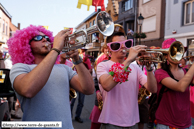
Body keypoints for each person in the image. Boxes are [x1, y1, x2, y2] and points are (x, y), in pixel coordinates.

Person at [7, 25, 94, 128]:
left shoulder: (64, 68)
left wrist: (76, 59)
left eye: (47, 38)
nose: (44, 39)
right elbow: (27, 90)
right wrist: (56, 49)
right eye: (38, 38)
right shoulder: (20, 68)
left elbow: (88, 89)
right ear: (26, 43)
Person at [96, 31, 157, 129]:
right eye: (117, 45)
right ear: (109, 48)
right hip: (111, 121)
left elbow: (153, 89)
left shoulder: (135, 68)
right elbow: (107, 85)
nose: (123, 47)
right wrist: (128, 60)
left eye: (126, 44)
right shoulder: (103, 65)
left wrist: (149, 68)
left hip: (132, 121)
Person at [154, 38, 194, 129]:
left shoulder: (187, 71)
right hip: (167, 124)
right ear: (165, 56)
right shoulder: (160, 72)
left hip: (186, 124)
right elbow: (180, 87)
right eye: (173, 52)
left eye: (180, 51)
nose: (179, 55)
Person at [90, 44, 110, 129]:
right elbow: (96, 78)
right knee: (96, 120)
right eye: (106, 49)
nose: (108, 51)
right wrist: (97, 91)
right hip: (101, 94)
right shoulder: (100, 60)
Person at [70, 48, 92, 123]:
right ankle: (69, 117)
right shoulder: (72, 58)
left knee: (81, 102)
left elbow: (90, 69)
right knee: (72, 101)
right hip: (74, 81)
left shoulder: (86, 59)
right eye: (82, 51)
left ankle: (77, 116)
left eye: (84, 51)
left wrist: (83, 72)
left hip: (82, 82)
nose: (83, 52)